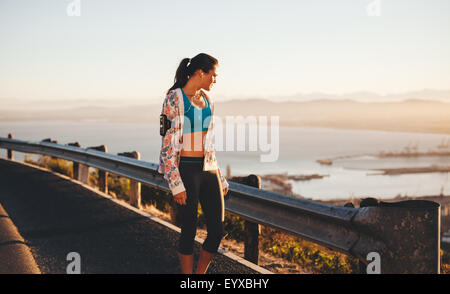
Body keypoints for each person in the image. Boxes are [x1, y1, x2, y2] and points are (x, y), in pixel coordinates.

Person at [158, 53, 229, 274]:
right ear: (201, 73)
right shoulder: (174, 99)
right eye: (213, 75)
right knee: (189, 230)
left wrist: (220, 175)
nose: (215, 80)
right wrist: (175, 183)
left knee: (217, 230)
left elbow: (209, 144)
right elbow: (167, 146)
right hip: (185, 170)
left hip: (208, 171)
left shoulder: (209, 102)